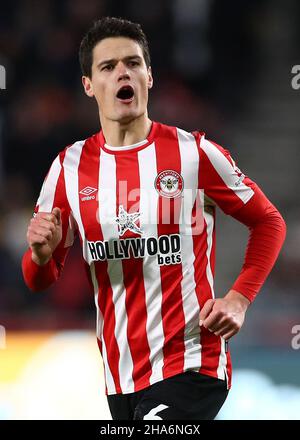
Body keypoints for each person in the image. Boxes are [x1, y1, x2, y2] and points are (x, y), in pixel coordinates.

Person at [22, 16, 286, 420]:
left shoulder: (194, 153)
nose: (122, 72)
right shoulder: (68, 169)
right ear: (89, 85)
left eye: (133, 62)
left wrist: (239, 299)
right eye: (108, 67)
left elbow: (268, 221)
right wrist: (41, 254)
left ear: (149, 76)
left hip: (192, 362)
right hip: (120, 376)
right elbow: (39, 279)